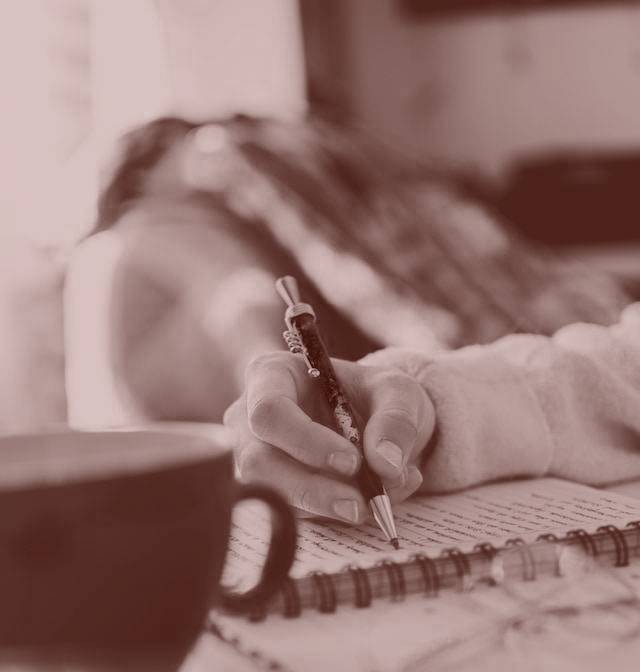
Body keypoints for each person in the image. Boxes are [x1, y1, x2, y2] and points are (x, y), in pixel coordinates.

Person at [65, 114, 640, 521]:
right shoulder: (163, 229)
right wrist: (428, 402)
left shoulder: (154, 233)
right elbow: (607, 375)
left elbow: (246, 306)